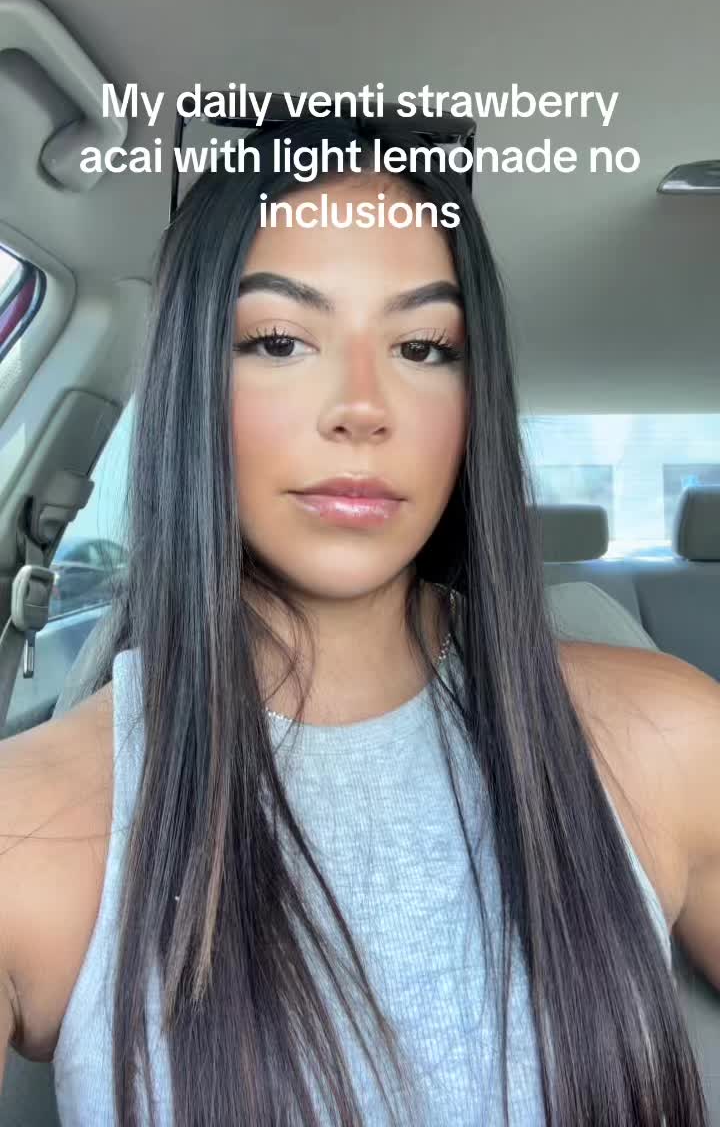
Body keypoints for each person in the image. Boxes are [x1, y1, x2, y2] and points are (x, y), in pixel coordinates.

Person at [0, 117, 718, 1127]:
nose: (362, 407)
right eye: (279, 341)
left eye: (423, 347)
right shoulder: (29, 825)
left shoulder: (672, 738)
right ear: (191, 381)